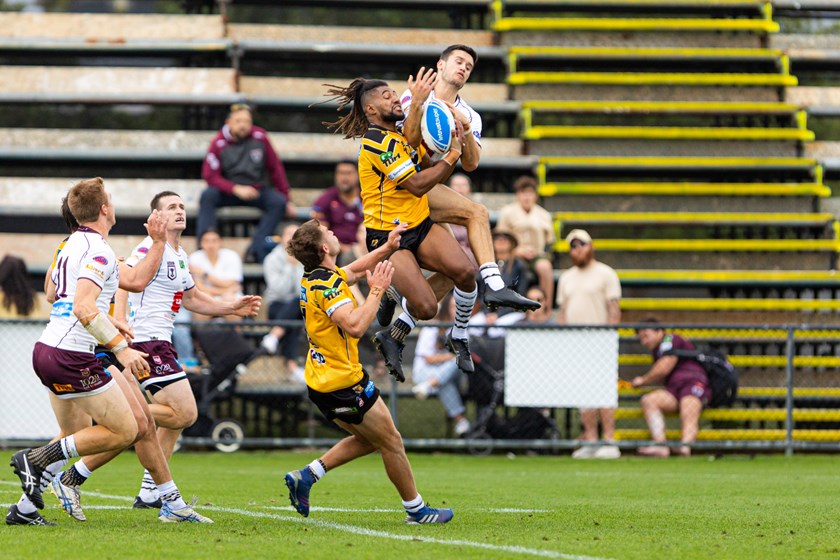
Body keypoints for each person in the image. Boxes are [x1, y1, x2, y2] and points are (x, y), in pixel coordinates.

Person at [283, 219, 453, 525]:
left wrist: (387, 247)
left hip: (322, 381)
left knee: (371, 439)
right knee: (391, 441)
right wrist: (376, 292)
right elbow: (356, 326)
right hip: (343, 383)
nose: (334, 233)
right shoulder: (329, 287)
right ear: (325, 248)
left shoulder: (316, 277)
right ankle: (416, 510)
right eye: (329, 233)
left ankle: (307, 476)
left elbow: (353, 271)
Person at [8, 178, 152, 523]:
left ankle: (25, 511)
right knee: (126, 429)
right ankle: (36, 457)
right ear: (104, 209)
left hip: (47, 348)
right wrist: (122, 349)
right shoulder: (99, 250)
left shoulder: (69, 244)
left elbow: (54, 295)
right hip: (71, 355)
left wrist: (106, 319)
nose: (113, 206)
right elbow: (82, 307)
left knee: (74, 434)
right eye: (111, 201)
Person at [322, 77, 482, 382]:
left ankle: (458, 335)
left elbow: (412, 139)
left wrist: (420, 103)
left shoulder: (395, 133)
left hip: (419, 224)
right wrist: (452, 155)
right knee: (426, 308)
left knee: (464, 272)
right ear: (370, 108)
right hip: (389, 237)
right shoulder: (377, 143)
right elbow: (417, 185)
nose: (396, 99)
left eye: (395, 93)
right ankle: (392, 293)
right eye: (387, 96)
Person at [117, 191, 261, 514]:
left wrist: (231, 309)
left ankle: (150, 491)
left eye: (181, 206)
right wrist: (121, 320)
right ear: (157, 218)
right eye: (171, 207)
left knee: (175, 420)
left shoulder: (180, 255)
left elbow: (193, 299)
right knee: (186, 413)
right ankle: (118, 414)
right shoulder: (148, 247)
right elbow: (123, 280)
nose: (179, 211)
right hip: (147, 341)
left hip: (161, 341)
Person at [377, 44, 539, 329]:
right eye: (459, 61)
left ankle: (398, 321)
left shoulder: (469, 115)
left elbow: (472, 164)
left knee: (459, 268)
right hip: (402, 186)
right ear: (440, 65)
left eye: (469, 66)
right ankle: (495, 285)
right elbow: (408, 145)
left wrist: (463, 130)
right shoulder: (412, 97)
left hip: (427, 188)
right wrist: (417, 107)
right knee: (477, 213)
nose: (464, 67)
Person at [556, 229, 622, 460]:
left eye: (581, 244)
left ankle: (610, 440)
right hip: (576, 343)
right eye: (572, 246)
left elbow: (614, 309)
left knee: (603, 390)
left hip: (600, 339)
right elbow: (562, 311)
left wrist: (609, 337)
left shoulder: (606, 273)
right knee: (584, 392)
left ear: (590, 246)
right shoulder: (566, 277)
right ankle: (592, 439)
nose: (577, 249)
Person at [198, 103, 294, 263]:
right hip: (229, 191)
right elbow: (210, 176)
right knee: (207, 196)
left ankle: (256, 248)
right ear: (228, 122)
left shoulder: (261, 137)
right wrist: (234, 188)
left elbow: (275, 168)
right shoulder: (218, 142)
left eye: (247, 121)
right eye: (238, 121)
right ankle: (205, 246)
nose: (243, 125)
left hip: (256, 190)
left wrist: (286, 197)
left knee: (278, 202)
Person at [632, 319, 711, 458]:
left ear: (659, 332)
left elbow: (665, 366)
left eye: (646, 336)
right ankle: (660, 446)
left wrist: (643, 380)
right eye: (641, 338)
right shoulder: (657, 350)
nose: (643, 342)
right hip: (674, 389)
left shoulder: (670, 339)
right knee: (649, 401)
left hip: (692, 382)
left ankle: (685, 447)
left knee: (688, 408)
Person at [411, 294, 471, 437]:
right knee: (444, 383)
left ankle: (429, 385)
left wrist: (453, 357)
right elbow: (428, 359)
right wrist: (451, 356)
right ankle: (461, 421)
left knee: (459, 361)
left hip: (449, 374)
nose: (457, 310)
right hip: (423, 374)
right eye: (453, 306)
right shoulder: (432, 327)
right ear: (446, 308)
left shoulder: (462, 330)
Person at [496, 175, 556, 311]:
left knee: (545, 267)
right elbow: (501, 238)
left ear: (535, 195)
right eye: (523, 193)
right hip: (513, 253)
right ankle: (513, 307)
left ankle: (545, 308)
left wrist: (541, 253)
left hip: (537, 254)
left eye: (530, 193)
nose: (526, 197)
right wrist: (517, 251)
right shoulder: (507, 212)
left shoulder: (544, 215)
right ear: (517, 194)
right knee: (515, 267)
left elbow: (549, 242)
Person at [260, 223, 306, 382]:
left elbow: (303, 289)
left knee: (298, 302)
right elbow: (278, 290)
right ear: (281, 238)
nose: (292, 238)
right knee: (291, 320)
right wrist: (289, 267)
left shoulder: (307, 259)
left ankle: (274, 335)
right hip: (277, 305)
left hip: (300, 305)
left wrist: (296, 265)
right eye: (289, 234)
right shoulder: (272, 259)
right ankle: (292, 367)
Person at [311, 159, 364, 266]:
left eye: (348, 173)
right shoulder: (326, 198)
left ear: (358, 175)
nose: (344, 178)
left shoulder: (367, 196)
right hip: (336, 252)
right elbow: (320, 232)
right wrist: (342, 248)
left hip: (365, 247)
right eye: (340, 173)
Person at [189, 229, 244, 322]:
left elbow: (229, 283)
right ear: (200, 243)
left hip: (229, 295)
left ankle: (236, 334)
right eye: (206, 241)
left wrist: (204, 274)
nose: (210, 245)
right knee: (202, 302)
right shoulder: (194, 257)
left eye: (214, 241)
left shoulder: (232, 256)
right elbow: (199, 287)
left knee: (231, 301)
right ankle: (202, 335)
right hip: (206, 295)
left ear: (221, 242)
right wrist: (224, 290)